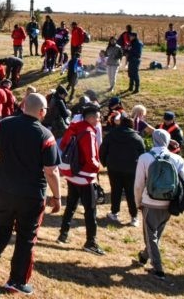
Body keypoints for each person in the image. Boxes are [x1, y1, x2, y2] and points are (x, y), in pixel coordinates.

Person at [0, 93, 62, 296]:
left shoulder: (4, 124)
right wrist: (58, 197)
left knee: (2, 224)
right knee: (26, 237)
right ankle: (16, 280)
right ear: (42, 112)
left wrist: (9, 153)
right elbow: (51, 171)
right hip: (31, 194)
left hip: (4, 187)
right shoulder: (46, 136)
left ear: (24, 105)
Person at [134, 130, 184, 281]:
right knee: (155, 234)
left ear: (153, 140)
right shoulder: (177, 158)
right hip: (169, 202)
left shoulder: (145, 158)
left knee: (150, 235)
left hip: (150, 201)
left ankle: (158, 269)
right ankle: (143, 256)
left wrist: (137, 201)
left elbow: (139, 184)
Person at [57, 105, 105, 255]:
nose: (99, 120)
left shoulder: (74, 127)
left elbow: (63, 144)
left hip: (72, 174)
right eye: (97, 117)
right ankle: (91, 241)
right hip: (85, 177)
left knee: (71, 205)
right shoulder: (89, 132)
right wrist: (98, 167)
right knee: (90, 210)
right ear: (90, 117)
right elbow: (91, 157)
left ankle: (63, 234)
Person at [100, 115, 145, 227]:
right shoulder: (137, 137)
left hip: (114, 168)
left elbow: (102, 150)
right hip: (131, 170)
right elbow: (142, 154)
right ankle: (134, 217)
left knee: (116, 190)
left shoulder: (111, 135)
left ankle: (114, 213)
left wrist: (105, 163)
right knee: (131, 193)